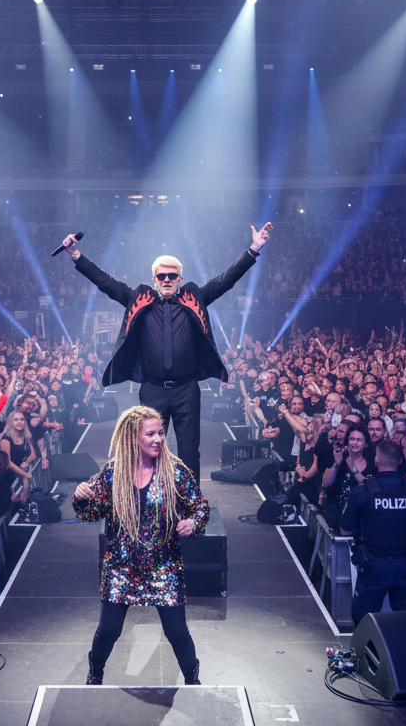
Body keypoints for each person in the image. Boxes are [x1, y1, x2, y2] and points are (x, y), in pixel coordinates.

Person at [62, 223, 272, 475]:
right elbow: (106, 283)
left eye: (172, 276)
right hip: (152, 390)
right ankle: (150, 499)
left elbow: (225, 281)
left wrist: (254, 249)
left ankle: (190, 505)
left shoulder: (194, 298)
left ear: (180, 279)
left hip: (186, 390)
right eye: (161, 276)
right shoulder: (140, 300)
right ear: (154, 280)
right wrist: (76, 255)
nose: (167, 280)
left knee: (189, 452)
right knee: (148, 450)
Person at [72, 405, 210, 686]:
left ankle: (192, 679)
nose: (158, 438)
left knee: (177, 632)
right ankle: (95, 671)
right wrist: (81, 496)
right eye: (151, 434)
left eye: (161, 432)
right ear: (133, 437)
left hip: (164, 566)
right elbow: (90, 513)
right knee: (108, 630)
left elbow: (200, 506)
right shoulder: (112, 474)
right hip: (121, 566)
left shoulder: (175, 471)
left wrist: (194, 523)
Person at [339, 441, 406, 627]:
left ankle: (368, 655)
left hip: (373, 566)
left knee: (365, 624)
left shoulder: (362, 491)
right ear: (401, 460)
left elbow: (345, 530)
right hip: (405, 565)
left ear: (376, 460)